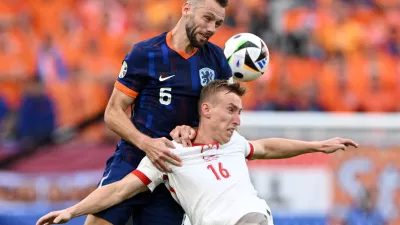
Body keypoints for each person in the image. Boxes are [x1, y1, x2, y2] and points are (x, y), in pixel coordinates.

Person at [37, 80, 359, 225]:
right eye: (232, 110)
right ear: (205, 109)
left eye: (240, 112)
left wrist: (317, 145)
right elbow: (119, 190)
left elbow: (268, 147)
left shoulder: (233, 143)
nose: (238, 119)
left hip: (251, 220)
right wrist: (71, 211)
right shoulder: (171, 153)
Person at [89, 0, 232, 224]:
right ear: (186, 9)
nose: (212, 29)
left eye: (218, 23)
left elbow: (225, 123)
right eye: (207, 18)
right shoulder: (146, 53)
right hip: (132, 160)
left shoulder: (217, 61)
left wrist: (195, 130)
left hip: (173, 172)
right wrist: (147, 143)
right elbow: (113, 113)